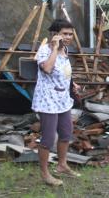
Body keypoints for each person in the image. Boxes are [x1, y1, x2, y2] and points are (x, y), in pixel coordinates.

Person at [32, 19, 81, 186]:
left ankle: (62, 165)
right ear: (55, 34)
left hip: (62, 99)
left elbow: (63, 72)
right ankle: (45, 174)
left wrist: (72, 83)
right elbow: (47, 69)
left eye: (70, 34)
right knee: (48, 138)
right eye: (65, 34)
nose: (68, 37)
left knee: (66, 133)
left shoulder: (65, 50)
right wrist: (54, 48)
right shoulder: (45, 50)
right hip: (47, 101)